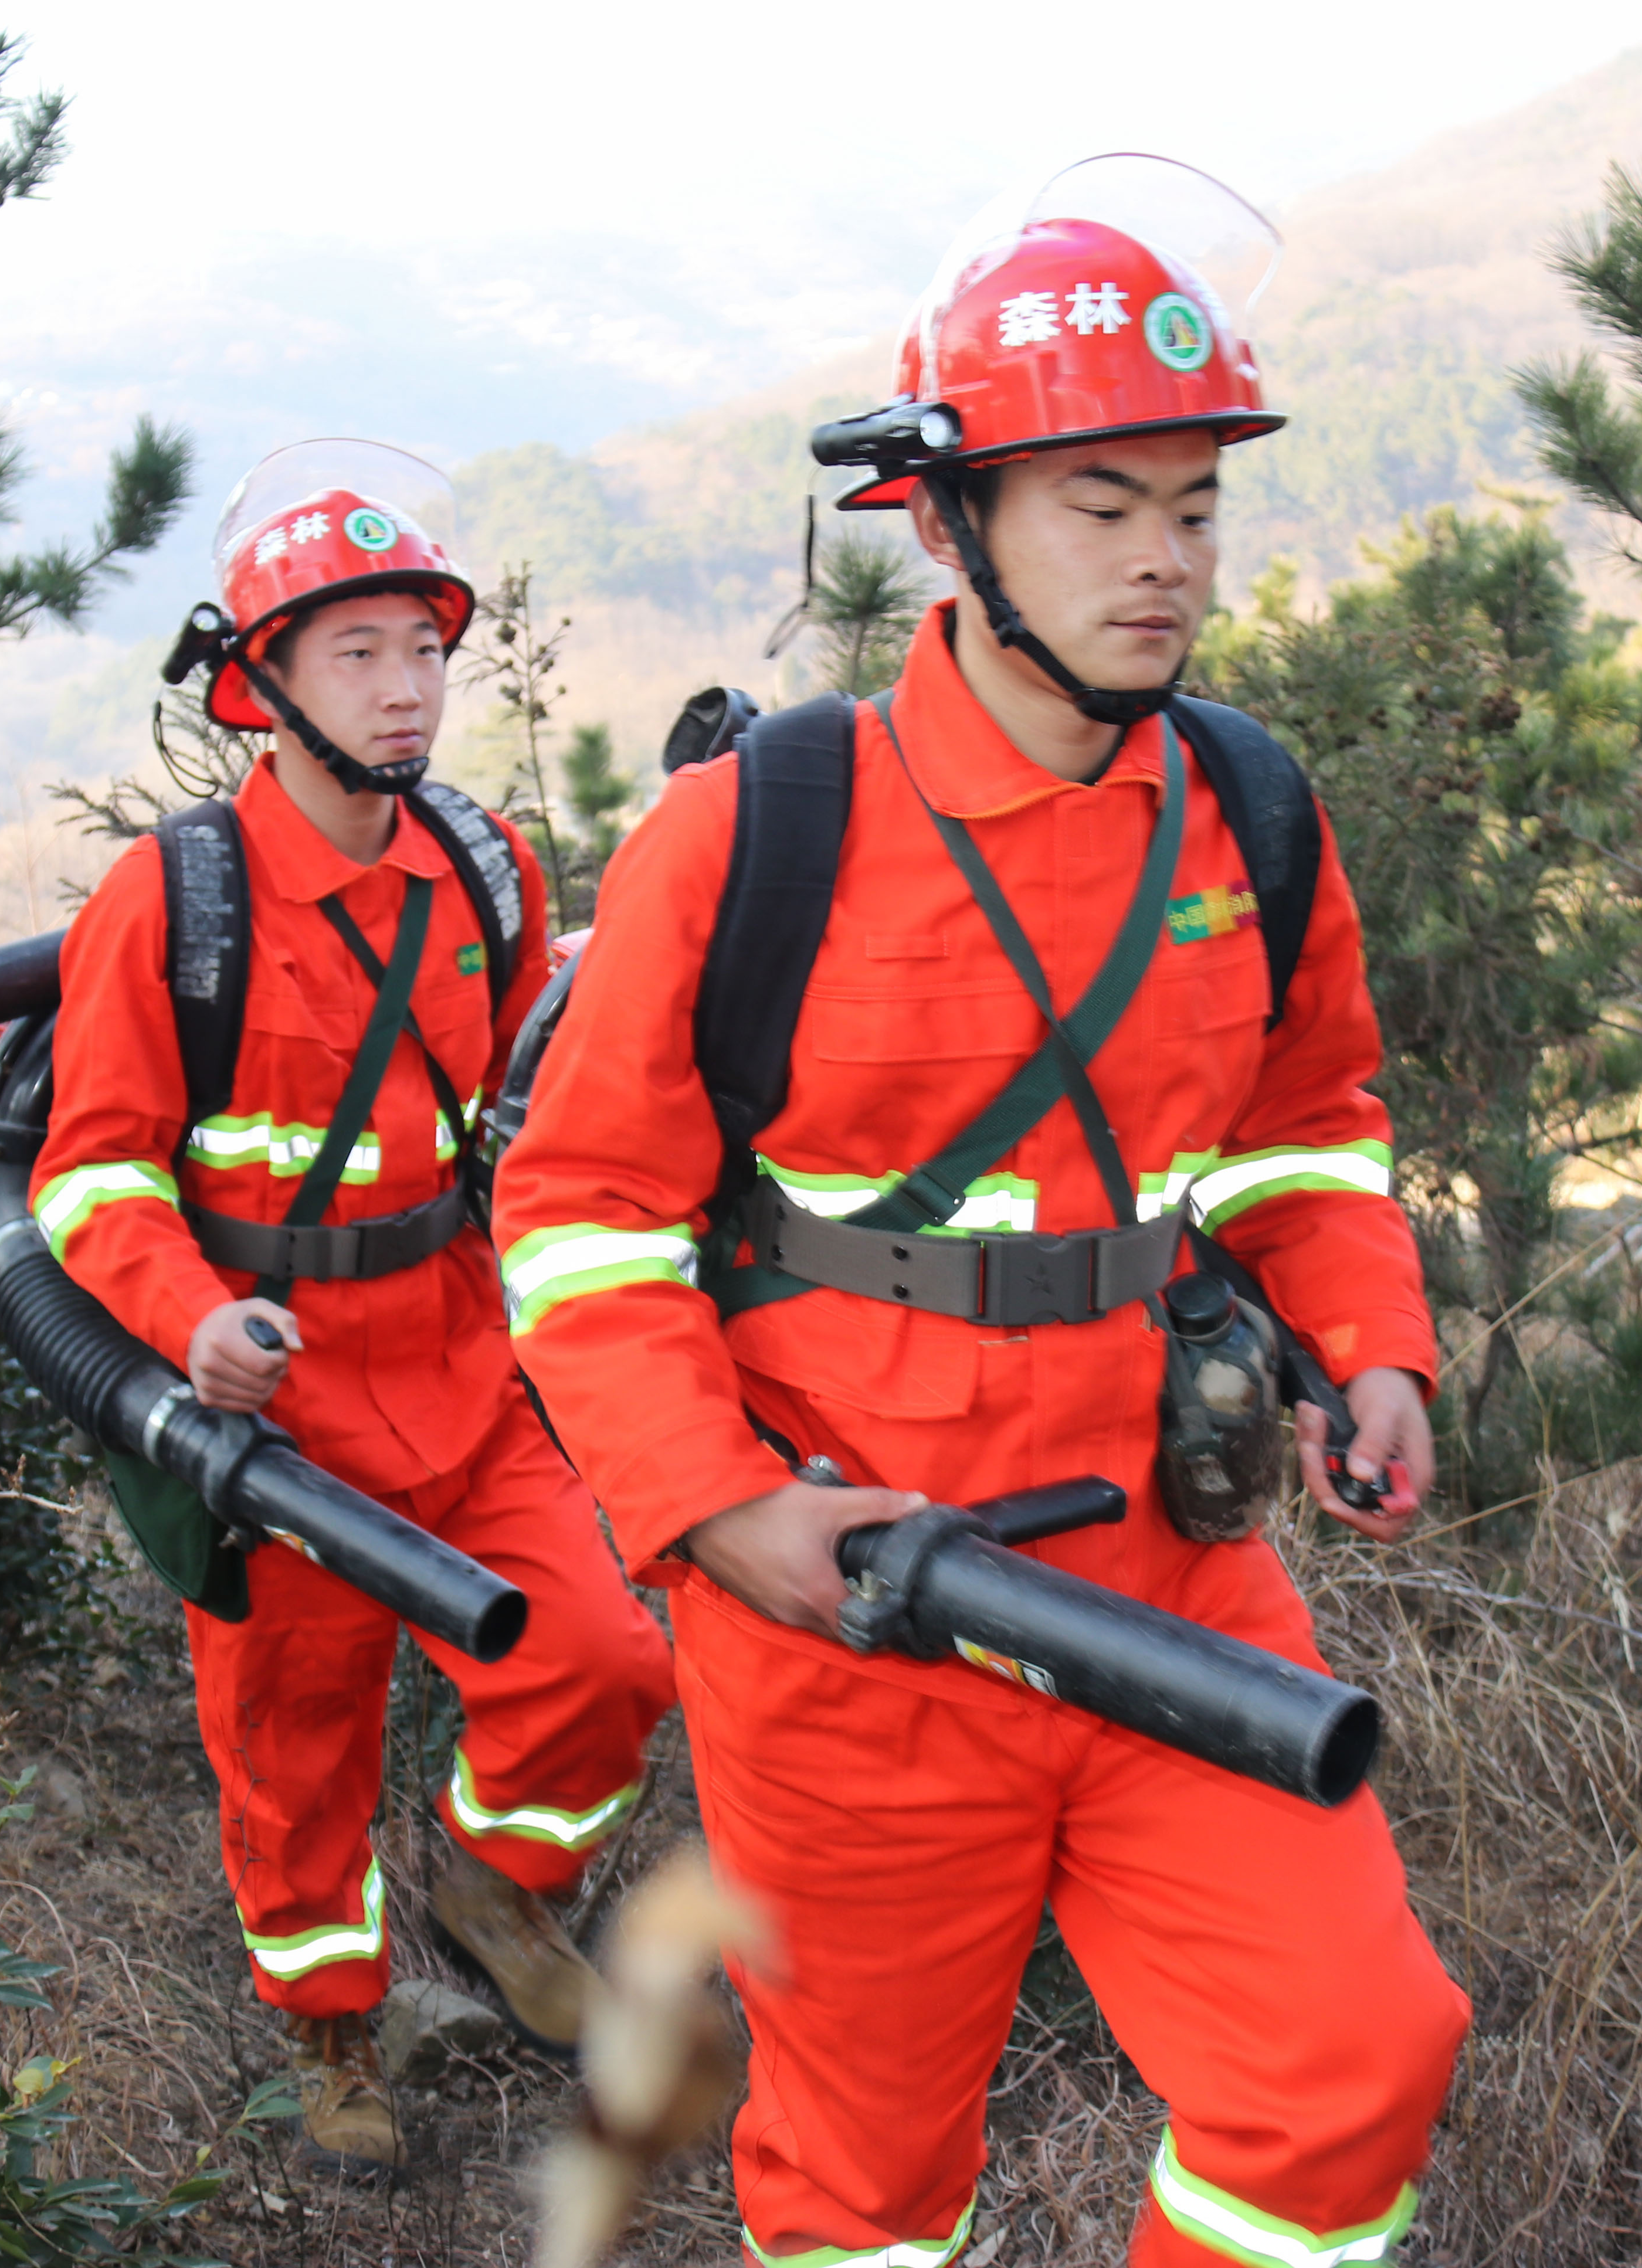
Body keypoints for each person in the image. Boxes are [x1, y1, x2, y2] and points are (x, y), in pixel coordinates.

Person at [494, 158, 1471, 2267]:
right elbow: (580, 1209)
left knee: (1351, 2059)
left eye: (1192, 504)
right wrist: (718, 1507)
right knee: (861, 2188)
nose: (1162, 559)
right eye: (1098, 503)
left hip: (1174, 1583)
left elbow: (1308, 1124)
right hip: (851, 1613)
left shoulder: (1252, 810)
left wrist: (1369, 1342)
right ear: (951, 519)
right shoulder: (760, 829)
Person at [32, 441, 675, 2174]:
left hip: (466, 1366)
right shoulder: (170, 904)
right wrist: (186, 1319)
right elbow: (89, 1171)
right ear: (262, 684)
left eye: (423, 648)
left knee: (607, 1652)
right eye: (357, 654)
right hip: (282, 1419)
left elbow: (539, 1116)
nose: (406, 691)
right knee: (294, 1747)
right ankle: (330, 2030)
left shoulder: (484, 873)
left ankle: (496, 1876)